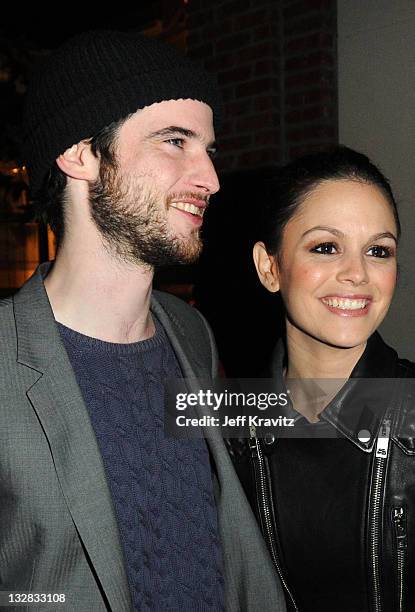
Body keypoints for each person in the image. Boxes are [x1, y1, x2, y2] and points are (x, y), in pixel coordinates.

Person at [0, 31, 286, 611]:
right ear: (80, 154)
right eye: (175, 141)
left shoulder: (190, 333)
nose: (210, 178)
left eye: (209, 149)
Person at [228, 146, 415, 611]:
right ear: (269, 267)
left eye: (378, 250)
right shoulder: (224, 427)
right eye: (326, 247)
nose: (357, 273)